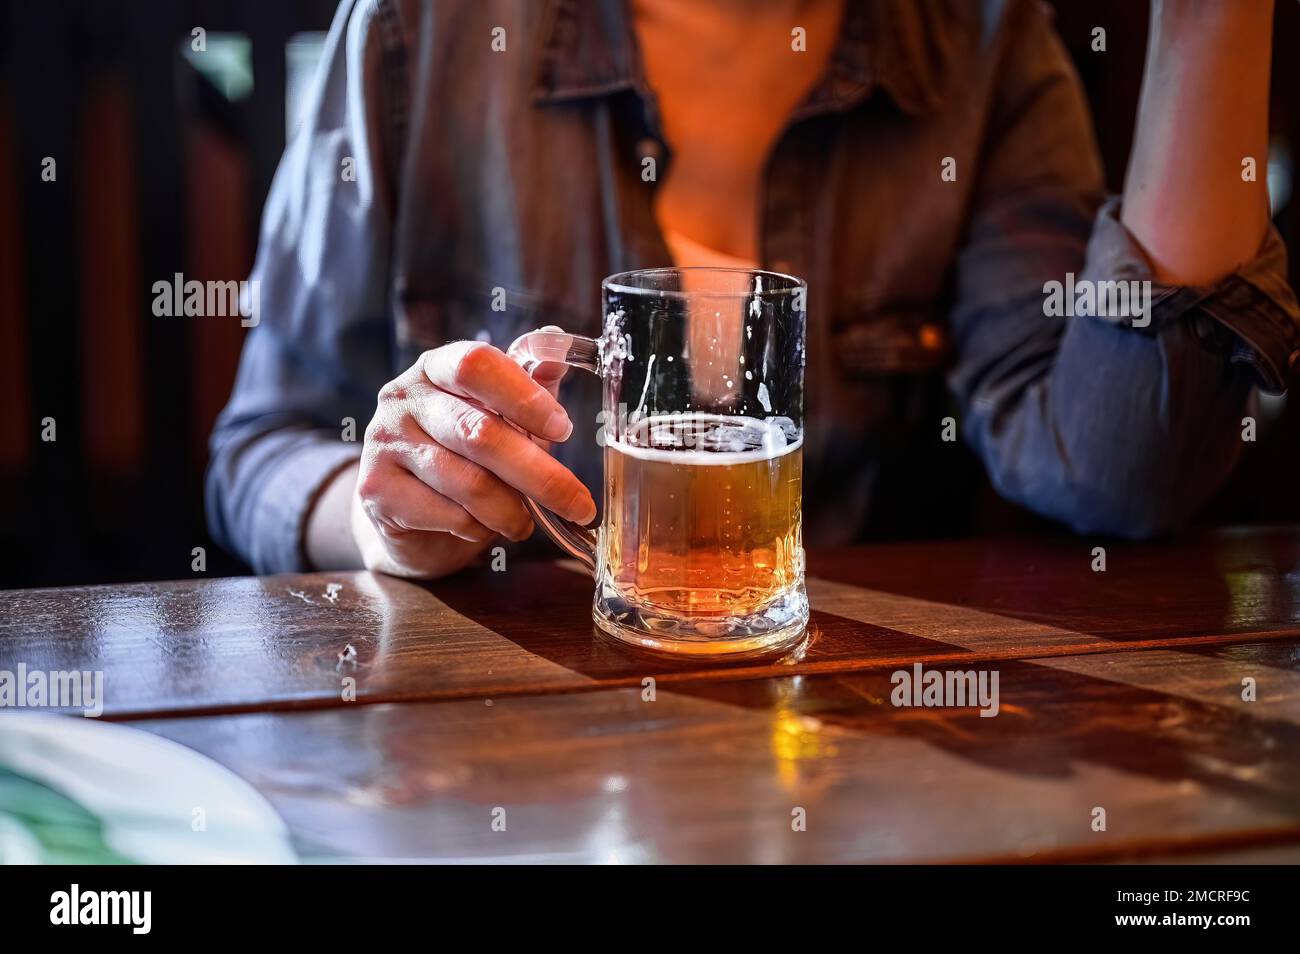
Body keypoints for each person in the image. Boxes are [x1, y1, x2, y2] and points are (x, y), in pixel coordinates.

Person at [207, 0, 1300, 579]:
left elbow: (1123, 472)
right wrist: (381, 520)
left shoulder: (983, 42)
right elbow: (261, 449)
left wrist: (1211, 18)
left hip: (873, 764)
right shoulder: (423, 25)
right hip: (503, 771)